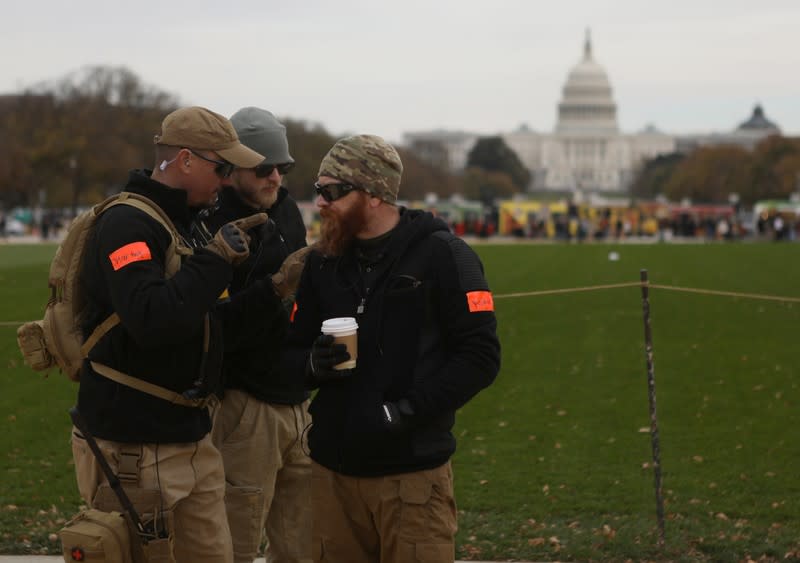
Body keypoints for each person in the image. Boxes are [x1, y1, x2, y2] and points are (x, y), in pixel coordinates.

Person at [283, 135, 501, 563]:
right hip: (332, 475)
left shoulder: (444, 255)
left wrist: (404, 412)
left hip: (412, 478)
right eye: (318, 190)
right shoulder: (322, 261)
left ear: (372, 194)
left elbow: (480, 357)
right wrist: (311, 364)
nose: (321, 203)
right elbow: (287, 351)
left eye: (332, 191)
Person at [72, 106, 273, 563]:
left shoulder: (184, 220)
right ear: (184, 160)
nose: (225, 180)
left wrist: (274, 290)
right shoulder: (127, 224)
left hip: (188, 436)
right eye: (221, 168)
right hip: (135, 445)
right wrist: (217, 258)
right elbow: (152, 319)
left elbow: (205, 322)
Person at [195, 107, 311, 563]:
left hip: (298, 400)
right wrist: (277, 289)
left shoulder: (285, 210)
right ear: (231, 166)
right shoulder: (208, 223)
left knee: (306, 546)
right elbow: (211, 328)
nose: (276, 178)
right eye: (264, 169)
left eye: (283, 168)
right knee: (234, 545)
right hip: (245, 405)